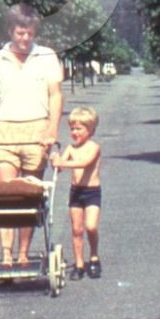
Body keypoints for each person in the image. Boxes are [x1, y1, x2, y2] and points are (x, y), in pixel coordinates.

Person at [0, 3, 63, 267]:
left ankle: (23, 254)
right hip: (6, 131)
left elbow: (55, 95)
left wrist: (52, 129)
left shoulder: (47, 56)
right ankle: (6, 255)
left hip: (37, 131)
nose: (25, 38)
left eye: (30, 33)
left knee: (29, 197)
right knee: (5, 196)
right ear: (10, 30)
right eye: (20, 33)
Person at [52, 106, 103, 279]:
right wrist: (55, 161)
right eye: (72, 128)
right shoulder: (70, 148)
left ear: (90, 130)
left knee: (91, 226)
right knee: (76, 229)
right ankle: (79, 263)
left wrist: (62, 163)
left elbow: (84, 163)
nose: (75, 132)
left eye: (79, 128)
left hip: (92, 192)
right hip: (76, 192)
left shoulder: (94, 148)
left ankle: (94, 257)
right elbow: (59, 166)